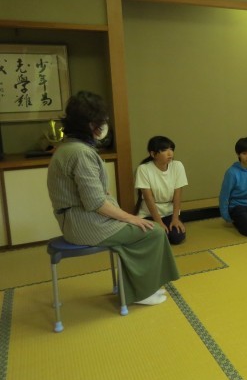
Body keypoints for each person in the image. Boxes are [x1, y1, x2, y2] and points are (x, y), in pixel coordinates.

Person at [47, 91, 179, 306]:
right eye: (101, 121)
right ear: (91, 124)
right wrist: (131, 218)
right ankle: (141, 292)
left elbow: (90, 193)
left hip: (78, 220)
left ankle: (141, 286)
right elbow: (96, 203)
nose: (104, 126)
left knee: (143, 230)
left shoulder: (68, 147)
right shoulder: (80, 152)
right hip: (86, 224)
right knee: (152, 232)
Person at [135, 136, 188, 245]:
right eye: (164, 150)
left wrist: (175, 218)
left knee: (177, 237)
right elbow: (148, 199)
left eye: (171, 149)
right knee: (159, 236)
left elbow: (178, 195)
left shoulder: (177, 166)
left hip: (169, 212)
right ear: (153, 154)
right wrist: (159, 222)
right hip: (149, 213)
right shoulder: (143, 169)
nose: (170, 153)